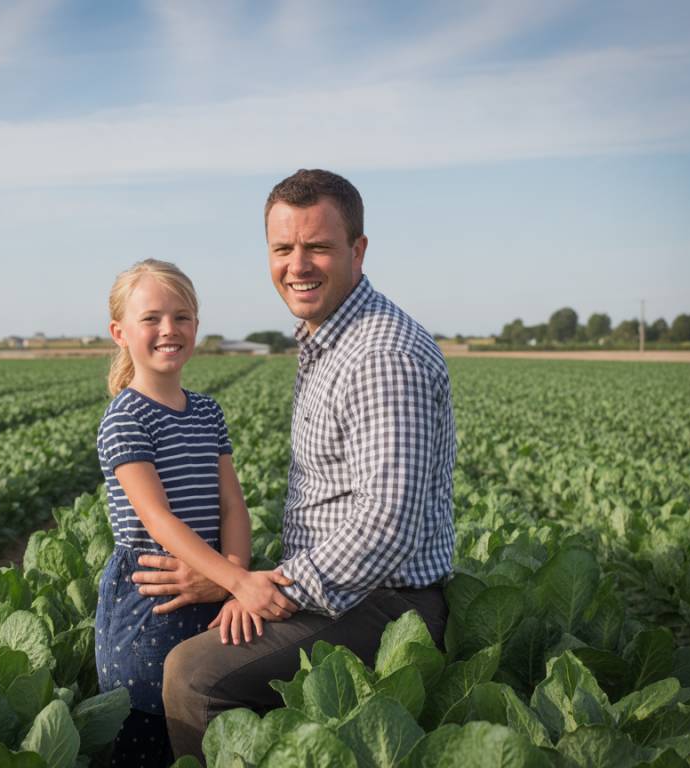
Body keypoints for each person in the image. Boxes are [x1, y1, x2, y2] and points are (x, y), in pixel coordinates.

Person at [134, 170, 457, 761]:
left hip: (384, 601)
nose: (298, 264)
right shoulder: (330, 338)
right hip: (339, 582)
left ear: (357, 251)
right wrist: (239, 576)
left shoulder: (380, 354)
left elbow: (386, 524)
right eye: (283, 248)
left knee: (193, 674)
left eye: (318, 247)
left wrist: (269, 590)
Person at [95, 259, 296, 767]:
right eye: (152, 318)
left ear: (197, 328)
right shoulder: (125, 415)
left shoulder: (207, 411)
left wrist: (235, 582)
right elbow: (158, 520)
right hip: (152, 597)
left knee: (211, 719)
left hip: (212, 584)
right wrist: (238, 578)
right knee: (150, 727)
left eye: (182, 317)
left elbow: (233, 504)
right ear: (120, 333)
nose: (169, 330)